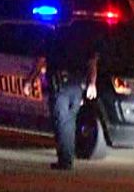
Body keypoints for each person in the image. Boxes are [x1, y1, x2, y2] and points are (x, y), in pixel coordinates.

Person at [27, 22, 100, 171]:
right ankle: (67, 157)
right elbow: (92, 62)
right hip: (77, 86)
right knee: (69, 122)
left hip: (61, 86)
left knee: (61, 123)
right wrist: (92, 83)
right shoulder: (82, 37)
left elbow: (41, 61)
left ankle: (65, 160)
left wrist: (30, 79)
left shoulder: (53, 36)